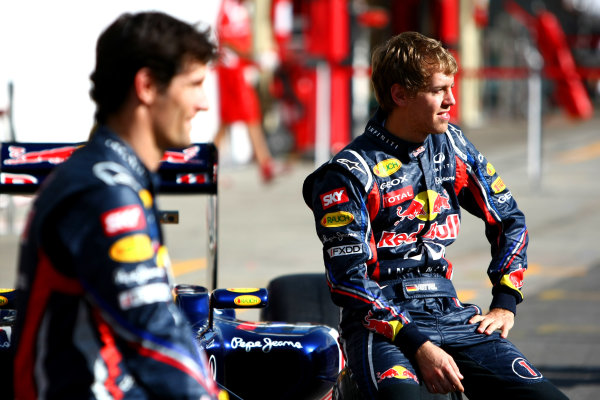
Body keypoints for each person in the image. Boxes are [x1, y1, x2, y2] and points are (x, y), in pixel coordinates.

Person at [303, 32, 568, 400]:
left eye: (452, 88)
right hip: (382, 325)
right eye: (439, 90)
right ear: (400, 95)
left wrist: (506, 301)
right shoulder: (349, 172)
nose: (452, 100)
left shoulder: (453, 145)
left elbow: (509, 220)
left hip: (453, 313)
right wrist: (418, 345)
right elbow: (349, 281)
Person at [13, 12, 221, 399]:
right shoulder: (104, 190)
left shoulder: (110, 176)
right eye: (194, 85)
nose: (204, 103)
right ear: (146, 86)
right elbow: (153, 337)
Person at [213, 0, 278, 183]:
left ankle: (265, 163)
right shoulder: (228, 7)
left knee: (248, 115)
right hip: (230, 72)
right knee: (232, 119)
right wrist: (252, 57)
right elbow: (226, 39)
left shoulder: (242, 8)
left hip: (241, 70)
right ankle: (264, 163)